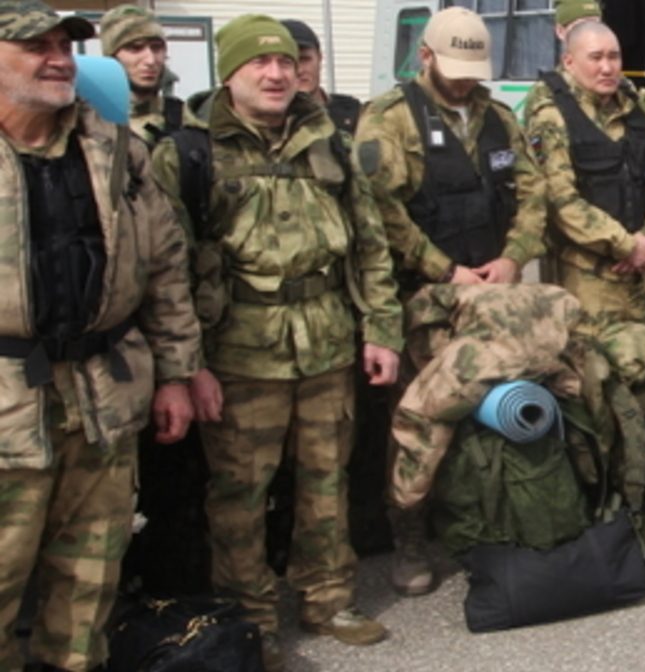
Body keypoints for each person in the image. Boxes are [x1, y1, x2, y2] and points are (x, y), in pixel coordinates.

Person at [150, 14, 403, 671]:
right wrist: (186, 367)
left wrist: (380, 328)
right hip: (238, 353)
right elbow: (166, 269)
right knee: (239, 497)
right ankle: (253, 619)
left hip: (325, 342)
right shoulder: (189, 151)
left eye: (287, 62)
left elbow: (370, 243)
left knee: (328, 482)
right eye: (260, 63)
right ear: (228, 72)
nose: (275, 74)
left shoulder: (330, 141)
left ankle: (327, 598)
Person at [0, 2, 201, 670]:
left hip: (102, 399)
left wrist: (175, 374)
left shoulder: (114, 147)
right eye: (36, 46)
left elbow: (167, 266)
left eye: (65, 44)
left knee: (89, 579)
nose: (59, 58)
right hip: (6, 405)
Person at [354, 5, 547, 596]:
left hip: (490, 298)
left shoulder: (497, 118)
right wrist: (445, 269)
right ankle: (409, 537)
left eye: (473, 68)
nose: (464, 79)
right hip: (424, 299)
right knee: (418, 421)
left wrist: (513, 257)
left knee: (489, 412)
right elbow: (378, 211)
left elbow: (534, 193)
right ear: (425, 57)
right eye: (453, 66)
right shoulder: (388, 121)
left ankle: (481, 522)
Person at [525, 20, 645, 336]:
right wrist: (625, 245)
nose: (608, 67)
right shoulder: (552, 118)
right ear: (569, 62)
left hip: (644, 280)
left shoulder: (638, 112)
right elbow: (560, 199)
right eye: (596, 58)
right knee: (591, 375)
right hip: (587, 285)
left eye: (614, 57)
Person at [99, 4, 182, 146]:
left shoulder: (184, 118)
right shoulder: (94, 120)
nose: (150, 60)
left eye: (156, 47)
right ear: (112, 57)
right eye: (135, 48)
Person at [280, 19, 362, 134]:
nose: (299, 70)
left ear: (319, 58)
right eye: (288, 62)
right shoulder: (270, 121)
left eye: (305, 59)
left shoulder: (352, 112)